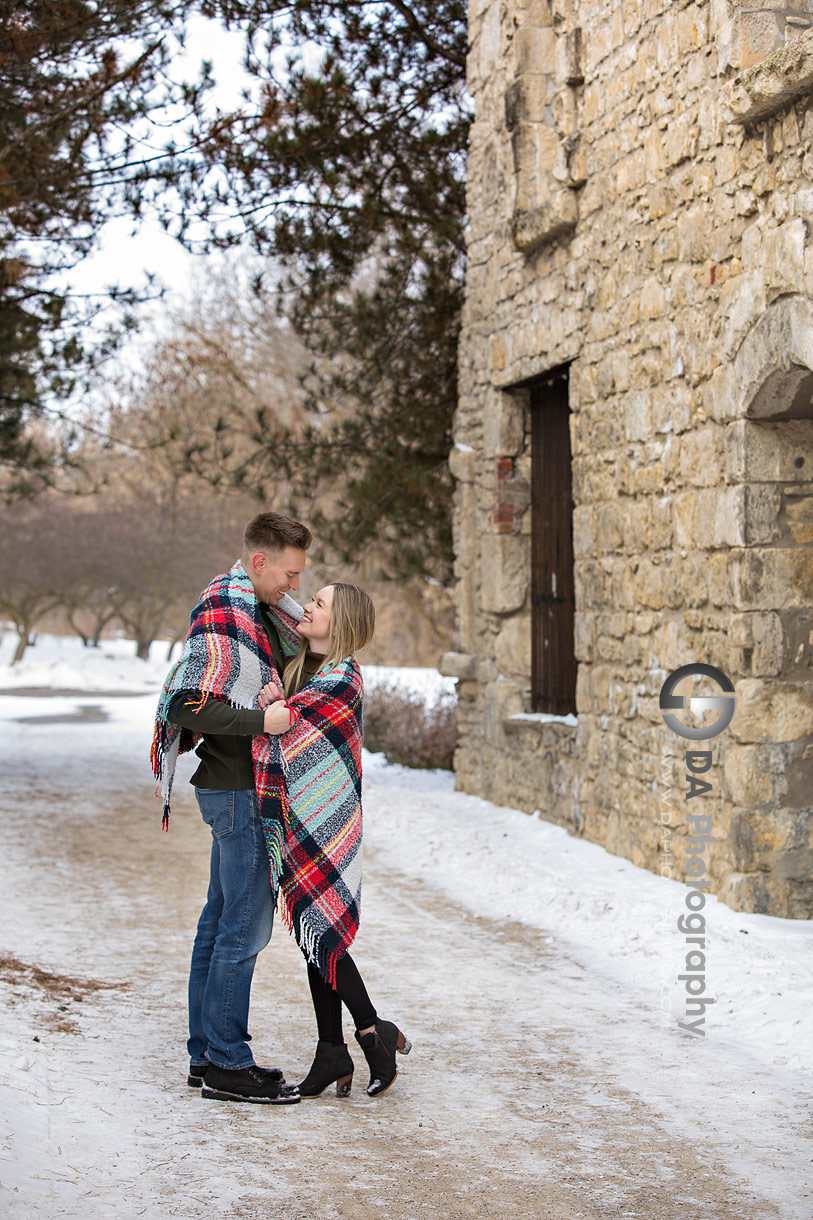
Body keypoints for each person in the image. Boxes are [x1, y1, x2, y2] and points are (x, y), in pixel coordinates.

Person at [151, 511, 311, 1105]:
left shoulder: (263, 614)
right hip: (239, 791)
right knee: (243, 929)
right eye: (289, 574)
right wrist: (261, 721)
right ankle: (226, 1062)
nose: (294, 587)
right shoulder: (224, 610)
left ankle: (205, 1055)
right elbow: (187, 706)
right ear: (260, 561)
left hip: (240, 789)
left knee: (220, 924)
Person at [255, 581, 411, 1098]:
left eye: (319, 604)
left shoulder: (342, 678)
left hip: (328, 823)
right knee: (312, 938)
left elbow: (284, 730)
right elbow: (284, 721)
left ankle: (370, 1035)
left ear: (338, 622)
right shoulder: (306, 671)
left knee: (323, 935)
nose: (308, 607)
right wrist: (278, 704)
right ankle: (332, 1051)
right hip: (299, 820)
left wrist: (274, 714)